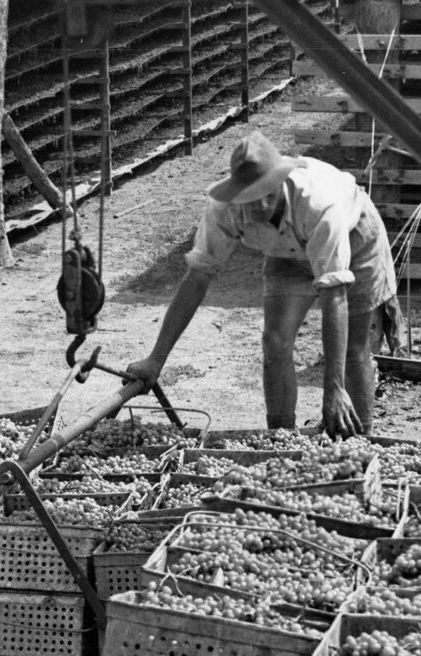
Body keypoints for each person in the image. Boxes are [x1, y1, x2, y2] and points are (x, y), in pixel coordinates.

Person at [127, 131, 399, 438]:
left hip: (355, 237)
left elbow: (334, 297)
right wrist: (155, 359)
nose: (257, 208)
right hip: (286, 252)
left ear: (282, 181)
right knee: (275, 342)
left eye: (265, 195)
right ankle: (281, 441)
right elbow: (197, 278)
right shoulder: (224, 206)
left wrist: (333, 388)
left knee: (353, 348)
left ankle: (359, 440)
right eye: (248, 200)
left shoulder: (320, 204)